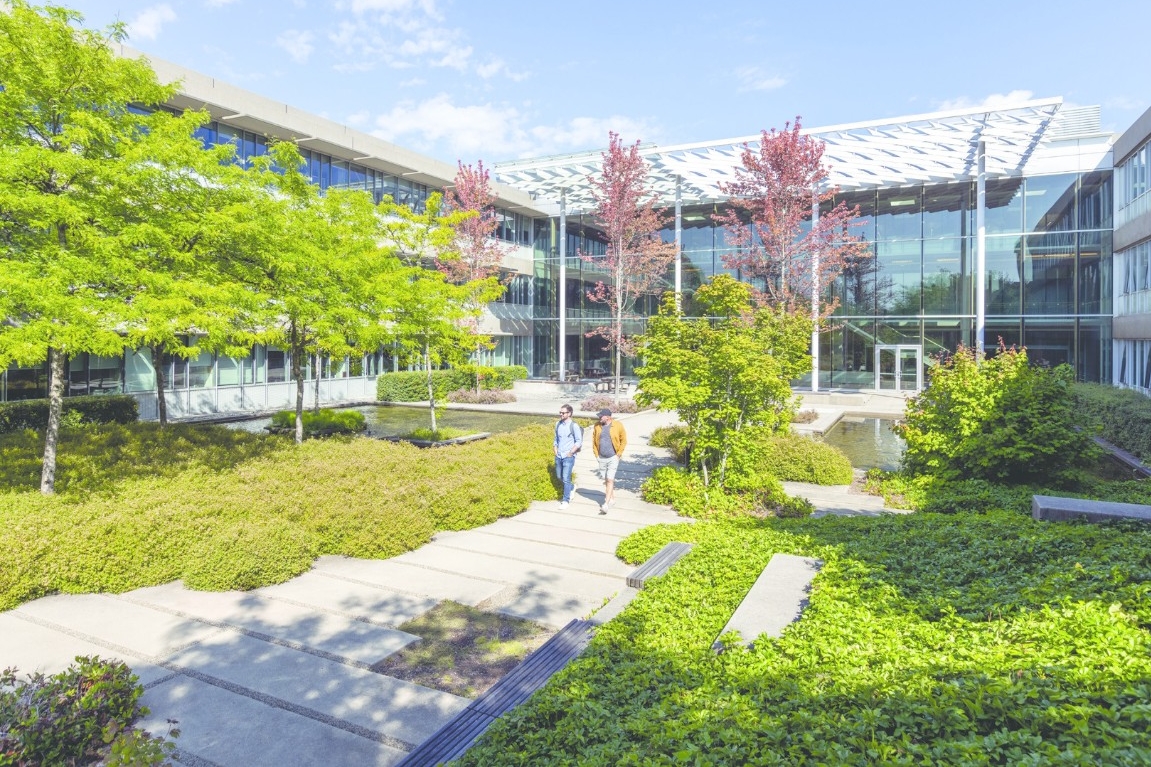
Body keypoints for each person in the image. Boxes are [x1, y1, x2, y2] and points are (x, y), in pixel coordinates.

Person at [590, 408, 626, 514]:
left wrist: (618, 454)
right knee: (606, 480)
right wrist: (596, 455)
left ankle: (606, 504)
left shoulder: (618, 425)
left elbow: (624, 440)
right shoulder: (597, 426)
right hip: (601, 457)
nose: (599, 418)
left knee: (610, 479)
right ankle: (612, 499)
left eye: (601, 416)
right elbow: (594, 442)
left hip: (613, 457)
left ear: (608, 417)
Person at [553, 404, 582, 509]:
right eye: (560, 412)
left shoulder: (574, 426)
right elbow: (556, 438)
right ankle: (572, 487)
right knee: (559, 476)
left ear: (569, 413)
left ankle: (565, 500)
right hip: (559, 455)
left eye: (563, 413)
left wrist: (571, 452)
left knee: (566, 478)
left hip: (568, 456)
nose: (561, 414)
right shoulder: (558, 424)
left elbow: (579, 441)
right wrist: (555, 448)